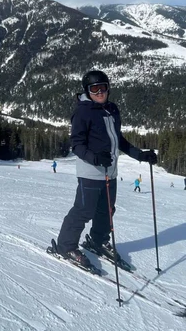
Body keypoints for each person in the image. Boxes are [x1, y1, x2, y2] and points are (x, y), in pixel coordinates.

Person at [54, 70, 158, 268]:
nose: (100, 92)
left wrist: (140, 155)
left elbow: (119, 140)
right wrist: (94, 158)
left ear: (108, 88)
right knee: (84, 211)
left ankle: (98, 240)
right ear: (88, 91)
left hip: (110, 172)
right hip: (90, 173)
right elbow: (76, 145)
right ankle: (65, 246)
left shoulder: (112, 109)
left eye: (103, 87)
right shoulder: (83, 112)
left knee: (107, 210)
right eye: (95, 89)